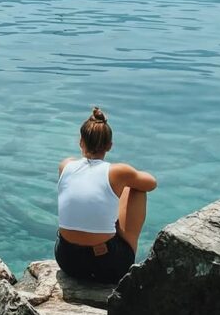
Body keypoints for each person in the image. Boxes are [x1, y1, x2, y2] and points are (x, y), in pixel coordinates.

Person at [55, 107, 157, 284]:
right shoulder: (118, 171)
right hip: (108, 266)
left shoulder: (66, 165)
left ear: (81, 142)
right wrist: (127, 178)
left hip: (67, 260)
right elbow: (151, 183)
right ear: (109, 145)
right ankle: (129, 249)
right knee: (136, 188)